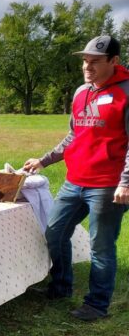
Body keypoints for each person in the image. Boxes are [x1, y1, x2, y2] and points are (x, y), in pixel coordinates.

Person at [23, 35, 129, 321]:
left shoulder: (126, 92)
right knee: (54, 233)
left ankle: (96, 304)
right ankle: (60, 287)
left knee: (101, 247)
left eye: (95, 61)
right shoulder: (82, 92)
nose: (87, 67)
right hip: (75, 180)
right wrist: (44, 160)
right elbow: (74, 134)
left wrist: (126, 181)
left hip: (107, 184)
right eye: (85, 61)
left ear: (114, 61)